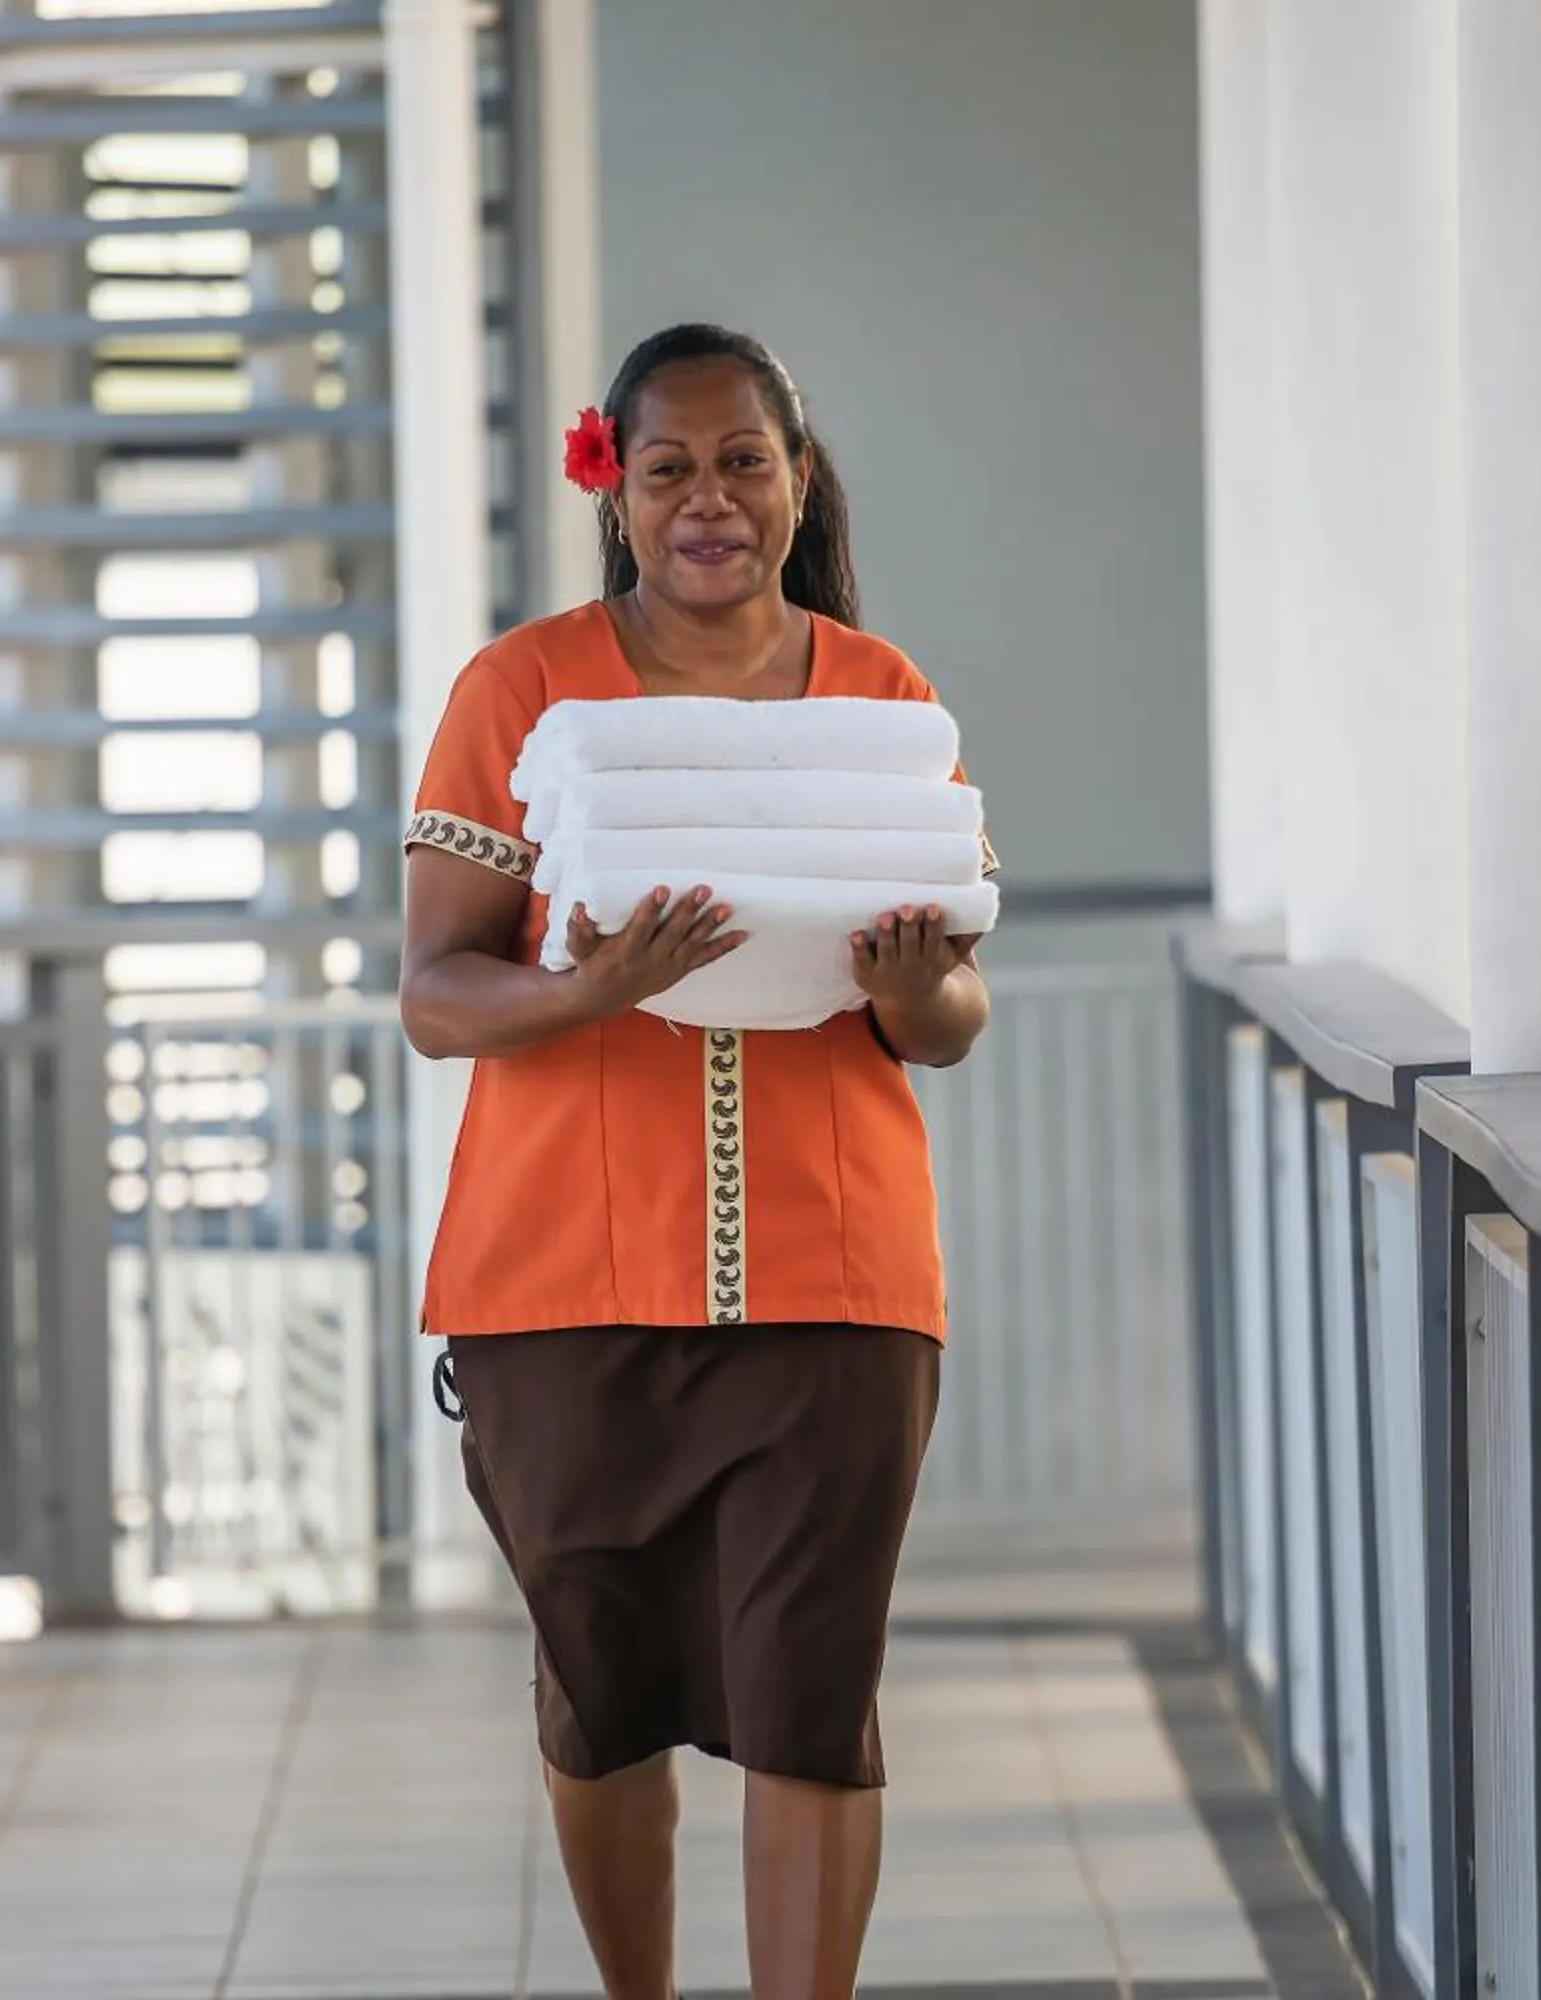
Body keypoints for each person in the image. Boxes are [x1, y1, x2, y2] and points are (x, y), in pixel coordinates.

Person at [398, 323, 994, 2000]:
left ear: (799, 481)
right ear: (617, 487)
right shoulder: (519, 692)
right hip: (556, 1285)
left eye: (744, 463)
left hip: (834, 1274)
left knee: (813, 1700)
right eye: (669, 468)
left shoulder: (885, 699)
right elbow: (434, 994)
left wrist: (913, 987)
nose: (709, 499)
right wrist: (585, 994)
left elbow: (952, 1014)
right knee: (602, 1703)